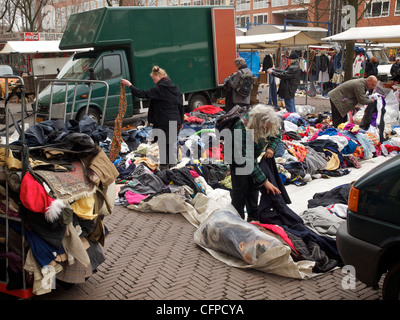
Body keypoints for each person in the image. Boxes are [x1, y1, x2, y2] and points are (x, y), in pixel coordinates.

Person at [121, 66, 183, 170]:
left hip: (163, 121)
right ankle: (173, 169)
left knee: (163, 146)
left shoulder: (159, 88)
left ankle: (164, 169)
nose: (154, 82)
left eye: (154, 79)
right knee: (171, 145)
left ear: (159, 76)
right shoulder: (174, 88)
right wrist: (181, 121)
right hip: (175, 120)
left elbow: (142, 94)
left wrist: (129, 85)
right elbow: (180, 105)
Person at [227, 104, 282, 222]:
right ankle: (237, 220)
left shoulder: (268, 122)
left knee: (253, 187)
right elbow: (247, 159)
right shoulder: (240, 128)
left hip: (251, 155)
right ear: (257, 123)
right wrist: (265, 181)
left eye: (269, 128)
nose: (267, 131)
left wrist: (271, 147)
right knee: (240, 190)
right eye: (265, 128)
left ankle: (253, 216)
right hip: (237, 157)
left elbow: (276, 133)